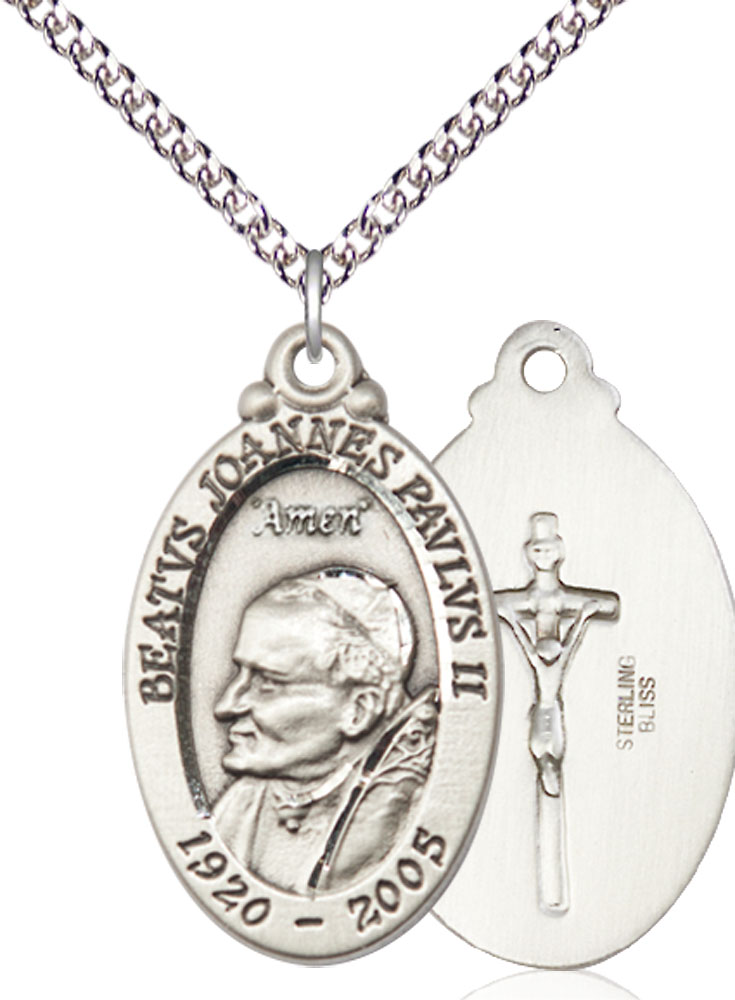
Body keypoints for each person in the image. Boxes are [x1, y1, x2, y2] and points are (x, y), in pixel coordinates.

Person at [213, 566, 438, 895]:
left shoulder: (420, 804)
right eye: (240, 674)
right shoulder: (241, 804)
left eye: (268, 682)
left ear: (359, 710)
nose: (226, 705)